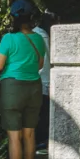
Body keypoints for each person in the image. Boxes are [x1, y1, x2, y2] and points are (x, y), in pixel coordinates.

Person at [0, 0, 46, 159]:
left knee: (14, 136)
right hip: (34, 87)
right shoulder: (39, 38)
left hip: (13, 87)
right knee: (29, 134)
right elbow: (39, 65)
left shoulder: (9, 38)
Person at [32, 11, 57, 151]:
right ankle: (41, 140)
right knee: (42, 113)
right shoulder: (43, 35)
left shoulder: (36, 34)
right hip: (43, 79)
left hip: (36, 79)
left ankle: (39, 141)